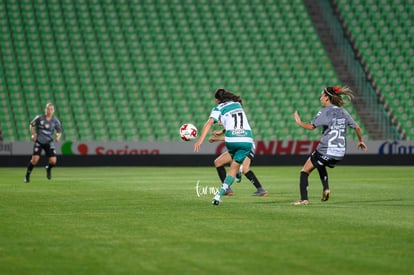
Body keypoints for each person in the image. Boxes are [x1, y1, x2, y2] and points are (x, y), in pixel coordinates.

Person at [292, 86, 367, 205]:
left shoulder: (324, 112)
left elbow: (311, 127)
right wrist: (360, 141)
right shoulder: (343, 111)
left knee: (304, 171)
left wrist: (299, 122)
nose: (320, 98)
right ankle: (326, 188)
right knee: (320, 164)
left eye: (322, 96)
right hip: (339, 153)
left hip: (326, 150)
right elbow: (357, 127)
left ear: (327, 98)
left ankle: (304, 199)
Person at [194, 88, 256, 205]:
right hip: (247, 138)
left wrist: (200, 140)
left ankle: (235, 174)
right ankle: (218, 195)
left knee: (232, 167)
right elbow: (237, 122)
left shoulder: (218, 108)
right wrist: (222, 130)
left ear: (217, 100)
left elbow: (209, 123)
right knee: (234, 168)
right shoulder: (237, 104)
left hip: (232, 139)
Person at [208, 130, 268, 197]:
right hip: (238, 147)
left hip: (247, 146)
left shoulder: (233, 122)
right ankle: (227, 188)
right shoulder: (230, 124)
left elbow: (230, 137)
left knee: (244, 169)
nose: (219, 122)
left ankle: (260, 189)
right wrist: (221, 131)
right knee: (218, 162)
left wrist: (216, 139)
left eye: (219, 121)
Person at [24, 103, 62, 183]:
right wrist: (33, 135)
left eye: (51, 109)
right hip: (39, 141)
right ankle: (27, 175)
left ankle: (48, 168)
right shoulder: (40, 118)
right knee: (35, 160)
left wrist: (58, 136)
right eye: (48, 109)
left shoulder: (55, 120)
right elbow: (31, 125)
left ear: (53, 111)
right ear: (46, 110)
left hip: (49, 142)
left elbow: (59, 131)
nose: (50, 111)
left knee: (53, 161)